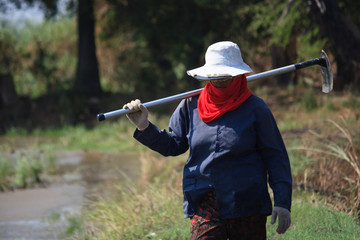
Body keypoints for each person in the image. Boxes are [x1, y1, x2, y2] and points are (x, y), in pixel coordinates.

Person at [123, 41, 292, 240]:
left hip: (247, 203)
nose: (218, 80)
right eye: (214, 75)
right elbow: (173, 145)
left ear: (238, 74)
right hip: (205, 203)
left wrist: (282, 202)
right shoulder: (190, 105)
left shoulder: (256, 109)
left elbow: (275, 157)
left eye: (224, 75)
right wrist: (144, 126)